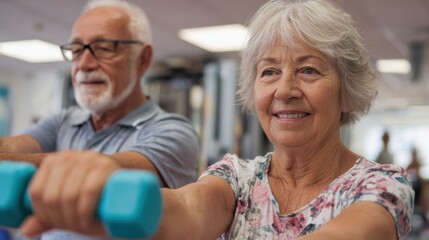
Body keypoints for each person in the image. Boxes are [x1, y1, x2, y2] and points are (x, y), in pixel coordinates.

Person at [17, 0, 413, 239]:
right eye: (269, 71)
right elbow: (187, 210)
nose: (284, 89)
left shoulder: (380, 184)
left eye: (308, 70)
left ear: (346, 90)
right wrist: (102, 206)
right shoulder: (237, 178)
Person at [0, 0, 199, 239]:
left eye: (104, 48)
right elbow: (10, 148)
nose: (83, 64)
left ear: (142, 59)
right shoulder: (63, 120)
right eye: (76, 50)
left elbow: (102, 173)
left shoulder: (173, 131)